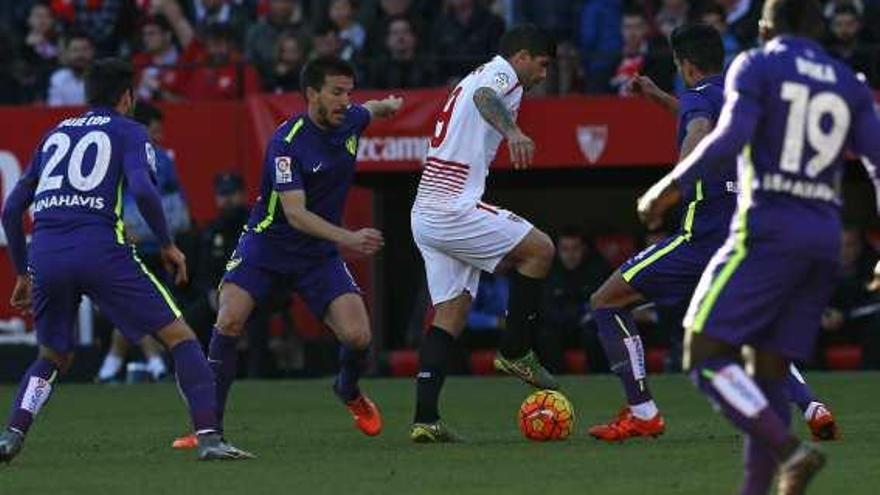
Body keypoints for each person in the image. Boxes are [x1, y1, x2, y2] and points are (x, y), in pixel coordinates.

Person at [638, 1, 880, 492]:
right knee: (765, 375)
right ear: (819, 29)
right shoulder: (849, 82)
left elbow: (726, 140)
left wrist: (669, 187)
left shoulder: (755, 65)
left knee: (705, 353)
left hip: (768, 229)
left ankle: (792, 451)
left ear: (767, 28)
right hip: (824, 240)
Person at [590, 22, 838, 445]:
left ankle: (643, 413)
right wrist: (657, 98)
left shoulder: (700, 102)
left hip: (702, 239)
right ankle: (814, 407)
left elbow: (699, 129)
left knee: (606, 301)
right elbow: (703, 118)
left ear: (685, 66)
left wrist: (671, 188)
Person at [0, 58, 250, 461]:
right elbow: (146, 192)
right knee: (181, 337)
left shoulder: (54, 134)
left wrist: (21, 272)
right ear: (127, 97)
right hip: (101, 250)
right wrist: (167, 243)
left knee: (51, 356)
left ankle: (11, 434)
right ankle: (209, 437)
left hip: (45, 254)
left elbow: (11, 210)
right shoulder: (130, 130)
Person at [171, 56, 403, 451]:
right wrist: (349, 238)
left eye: (349, 91)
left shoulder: (351, 119)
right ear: (311, 94)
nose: (345, 100)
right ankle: (208, 425)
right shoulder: (286, 142)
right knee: (228, 321)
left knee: (359, 337)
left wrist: (389, 105)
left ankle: (348, 390)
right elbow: (295, 214)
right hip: (268, 244)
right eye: (336, 92)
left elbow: (373, 110)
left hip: (317, 255)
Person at [409, 25, 557, 443]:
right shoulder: (499, 74)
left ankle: (425, 418)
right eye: (542, 65)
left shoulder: (482, 75)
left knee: (450, 315)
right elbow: (484, 98)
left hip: (425, 212)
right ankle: (515, 351)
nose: (544, 75)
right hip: (451, 205)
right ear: (523, 56)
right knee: (541, 250)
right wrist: (513, 133)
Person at [95, 102, 192, 384]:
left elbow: (177, 204)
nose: (160, 134)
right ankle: (151, 364)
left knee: (135, 308)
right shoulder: (130, 156)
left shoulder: (159, 159)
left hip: (152, 245)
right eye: (156, 129)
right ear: (143, 128)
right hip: (137, 244)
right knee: (135, 307)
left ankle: (118, 367)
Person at [541, 227, 611, 373]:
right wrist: (579, 313)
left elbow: (603, 304)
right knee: (546, 334)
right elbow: (547, 310)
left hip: (588, 328)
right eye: (565, 249)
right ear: (557, 251)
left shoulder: (598, 269)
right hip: (561, 327)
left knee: (594, 332)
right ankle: (556, 382)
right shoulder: (549, 271)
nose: (570, 255)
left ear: (584, 249)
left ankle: (599, 380)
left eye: (575, 249)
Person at [47, 32, 94, 106]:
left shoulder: (103, 78)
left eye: (85, 49)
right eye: (75, 50)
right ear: (67, 53)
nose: (80, 55)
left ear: (92, 52)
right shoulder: (58, 78)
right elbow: (55, 110)